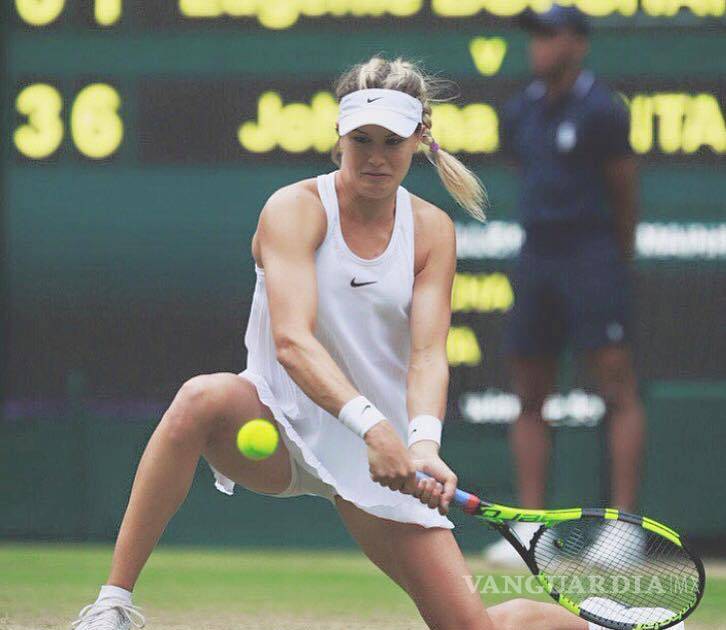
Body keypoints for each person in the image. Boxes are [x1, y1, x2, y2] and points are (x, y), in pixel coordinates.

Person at [71, 56, 595, 630]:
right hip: (280, 420)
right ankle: (113, 604)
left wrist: (421, 443)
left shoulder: (431, 231)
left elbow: (427, 355)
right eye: (361, 140)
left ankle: (595, 623)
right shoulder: (294, 210)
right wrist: (373, 427)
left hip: (381, 458)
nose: (375, 157)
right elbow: (291, 342)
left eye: (392, 142)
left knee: (472, 629)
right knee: (200, 399)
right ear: (339, 136)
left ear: (420, 139)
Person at [482, 5, 647, 567]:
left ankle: (623, 529)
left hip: (593, 256)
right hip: (538, 257)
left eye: (550, 35)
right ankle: (533, 529)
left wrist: (614, 260)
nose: (539, 46)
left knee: (616, 390)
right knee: (529, 394)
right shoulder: (520, 110)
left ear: (578, 43)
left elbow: (623, 191)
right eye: (535, 36)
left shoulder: (603, 110)